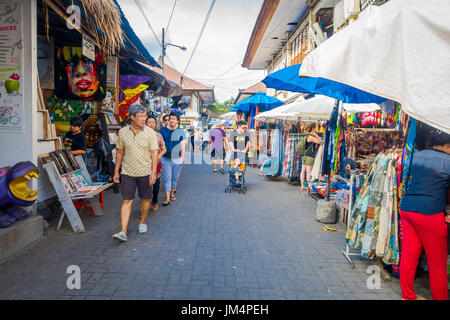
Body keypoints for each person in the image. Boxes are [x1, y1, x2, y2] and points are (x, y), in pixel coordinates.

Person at [399, 129, 450, 300]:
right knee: (437, 263)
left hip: (407, 209)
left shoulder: (419, 155)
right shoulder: (448, 160)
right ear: (447, 145)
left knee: (408, 255)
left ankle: (407, 295)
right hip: (430, 213)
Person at [112, 105, 158, 242]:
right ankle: (123, 231)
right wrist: (116, 172)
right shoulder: (122, 132)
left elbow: (154, 153)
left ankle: (143, 221)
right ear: (132, 117)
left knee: (145, 199)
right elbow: (120, 152)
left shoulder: (150, 133)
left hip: (145, 171)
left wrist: (153, 172)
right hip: (127, 172)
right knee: (127, 200)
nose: (144, 119)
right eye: (141, 116)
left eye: (145, 116)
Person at [159, 112, 186, 206]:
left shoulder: (181, 131)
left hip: (177, 158)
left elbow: (182, 145)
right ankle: (167, 198)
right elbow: (159, 144)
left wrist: (182, 158)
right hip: (166, 158)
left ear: (177, 121)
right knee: (167, 178)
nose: (171, 120)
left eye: (174, 119)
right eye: (170, 118)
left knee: (175, 178)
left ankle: (172, 193)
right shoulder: (162, 131)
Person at [146, 115, 167, 212]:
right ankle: (144, 205)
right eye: (149, 122)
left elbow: (164, 149)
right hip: (144, 164)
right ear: (146, 123)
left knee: (156, 185)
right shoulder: (141, 134)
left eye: (153, 122)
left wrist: (159, 155)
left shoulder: (158, 136)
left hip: (156, 163)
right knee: (145, 185)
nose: (151, 124)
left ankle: (154, 201)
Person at [299, 123, 322, 191]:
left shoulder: (305, 136)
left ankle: (302, 186)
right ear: (312, 128)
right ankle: (309, 187)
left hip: (304, 156)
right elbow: (320, 142)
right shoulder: (311, 137)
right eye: (315, 128)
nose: (316, 129)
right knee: (309, 172)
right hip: (310, 156)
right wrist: (316, 135)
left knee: (303, 171)